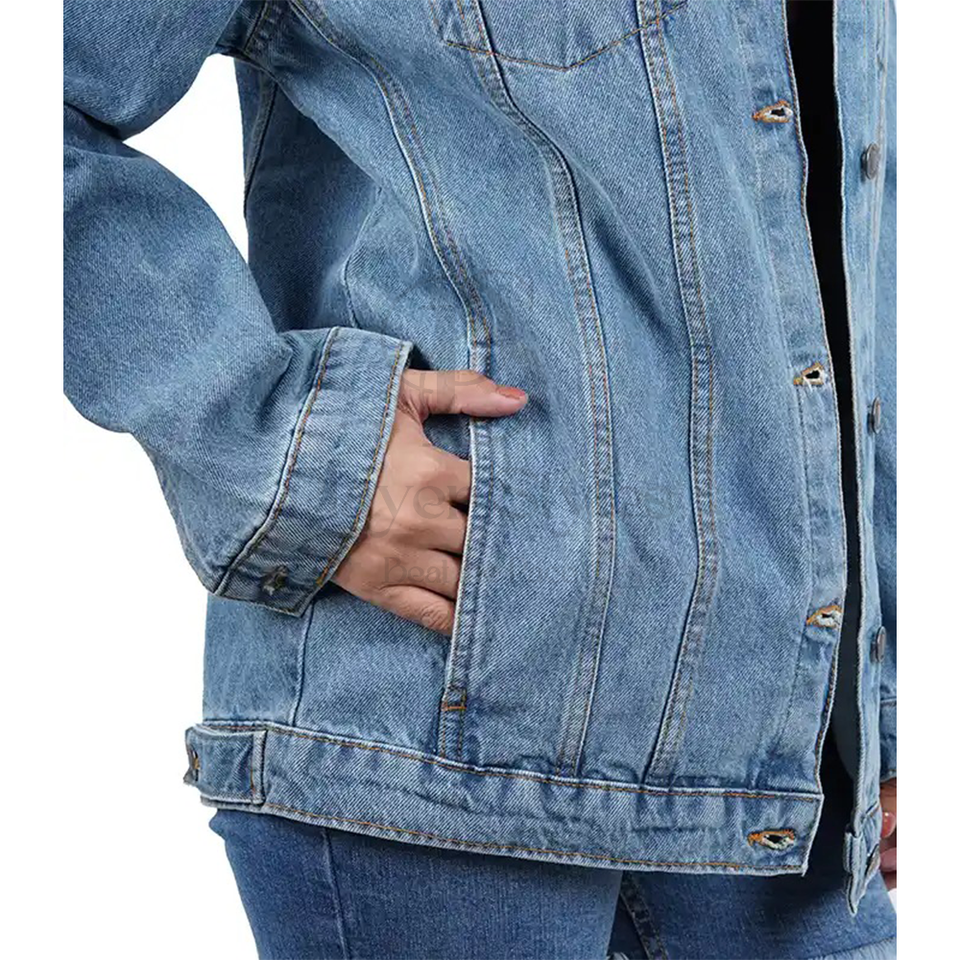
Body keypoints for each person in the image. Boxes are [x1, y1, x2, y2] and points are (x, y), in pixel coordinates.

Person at [63, 1, 896, 957]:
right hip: (437, 741)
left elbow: (845, 256)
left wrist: (888, 696)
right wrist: (293, 456)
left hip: (787, 752)